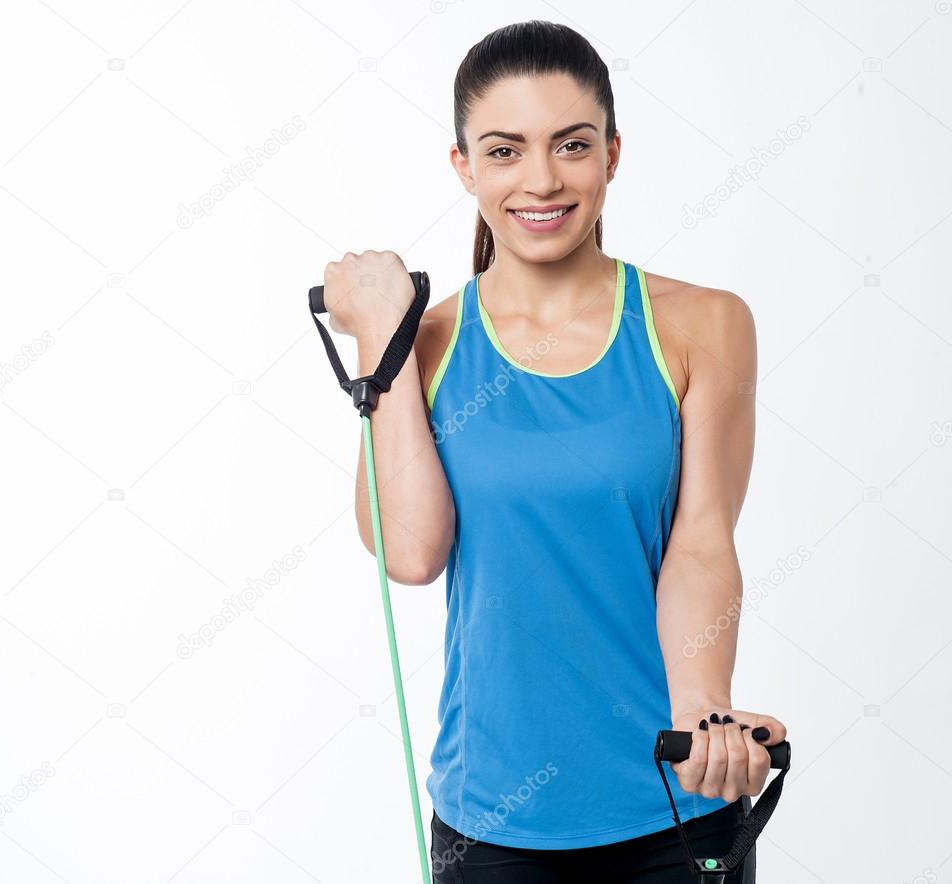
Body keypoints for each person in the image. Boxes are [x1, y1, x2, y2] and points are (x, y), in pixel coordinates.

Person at [321, 18, 787, 884]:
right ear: (463, 166)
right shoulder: (424, 345)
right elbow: (412, 551)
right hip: (492, 821)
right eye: (504, 151)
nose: (542, 180)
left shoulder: (703, 324)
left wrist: (701, 710)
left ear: (613, 154)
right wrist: (380, 340)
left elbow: (700, 540)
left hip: (676, 804)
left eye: (571, 145)